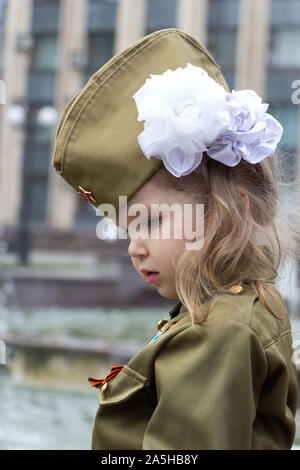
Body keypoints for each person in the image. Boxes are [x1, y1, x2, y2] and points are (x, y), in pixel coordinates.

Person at [51, 28, 299, 450]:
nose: (134, 247)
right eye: (127, 228)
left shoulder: (219, 334)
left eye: (150, 221)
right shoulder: (233, 309)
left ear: (229, 208)